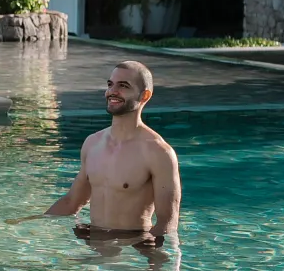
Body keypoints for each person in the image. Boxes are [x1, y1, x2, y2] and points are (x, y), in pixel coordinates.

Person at [38, 60, 180, 253]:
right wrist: (29, 225)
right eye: (110, 84)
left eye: (123, 86)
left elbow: (167, 223)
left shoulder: (158, 152)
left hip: (129, 250)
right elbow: (72, 202)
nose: (112, 91)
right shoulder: (92, 143)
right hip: (91, 243)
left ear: (144, 95)